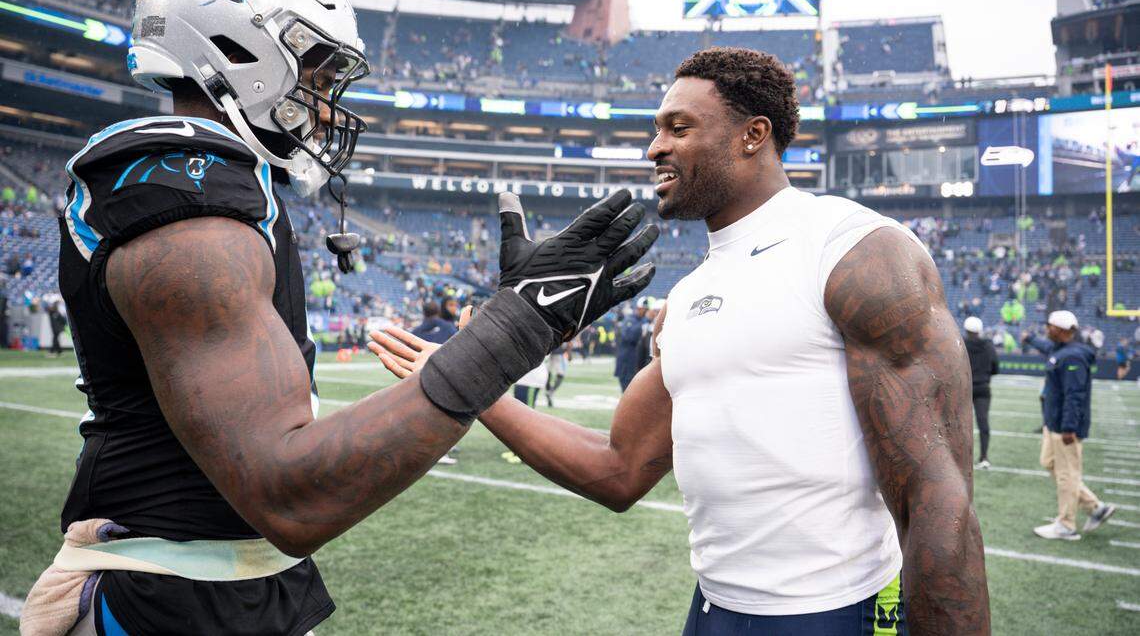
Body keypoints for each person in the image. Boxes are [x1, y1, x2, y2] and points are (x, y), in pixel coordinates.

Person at [23, 0, 656, 636]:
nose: (325, 106)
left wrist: (508, 325)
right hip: (162, 597)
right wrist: (514, 329)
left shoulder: (226, 194)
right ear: (240, 50)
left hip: (217, 581)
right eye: (317, 78)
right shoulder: (188, 214)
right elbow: (288, 496)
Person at [379, 48, 990, 634]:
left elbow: (940, 503)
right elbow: (618, 469)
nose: (654, 148)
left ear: (753, 135)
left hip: (835, 610)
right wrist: (475, 380)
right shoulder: (690, 295)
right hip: (713, 609)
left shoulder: (852, 249)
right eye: (657, 130)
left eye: (678, 128)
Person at [1024, 311, 1117, 540]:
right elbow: (1046, 347)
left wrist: (1069, 427)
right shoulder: (1060, 349)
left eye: (1050, 326)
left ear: (1062, 330)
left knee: (1067, 475)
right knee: (1049, 463)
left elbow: (1075, 395)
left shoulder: (1073, 357)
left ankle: (1066, 525)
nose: (1047, 329)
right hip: (1053, 423)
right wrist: (1030, 339)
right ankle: (1095, 508)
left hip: (1064, 427)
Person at [963, 316, 999, 468]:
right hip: (983, 387)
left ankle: (959, 458)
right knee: (983, 423)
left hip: (965, 388)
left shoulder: (961, 344)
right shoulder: (988, 346)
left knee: (960, 424)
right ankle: (984, 457)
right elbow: (995, 368)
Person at [614, 304, 644, 392]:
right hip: (627, 359)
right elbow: (628, 337)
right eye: (644, 309)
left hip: (637, 359)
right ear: (639, 309)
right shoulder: (630, 320)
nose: (644, 312)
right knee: (626, 384)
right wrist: (641, 326)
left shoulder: (642, 321)